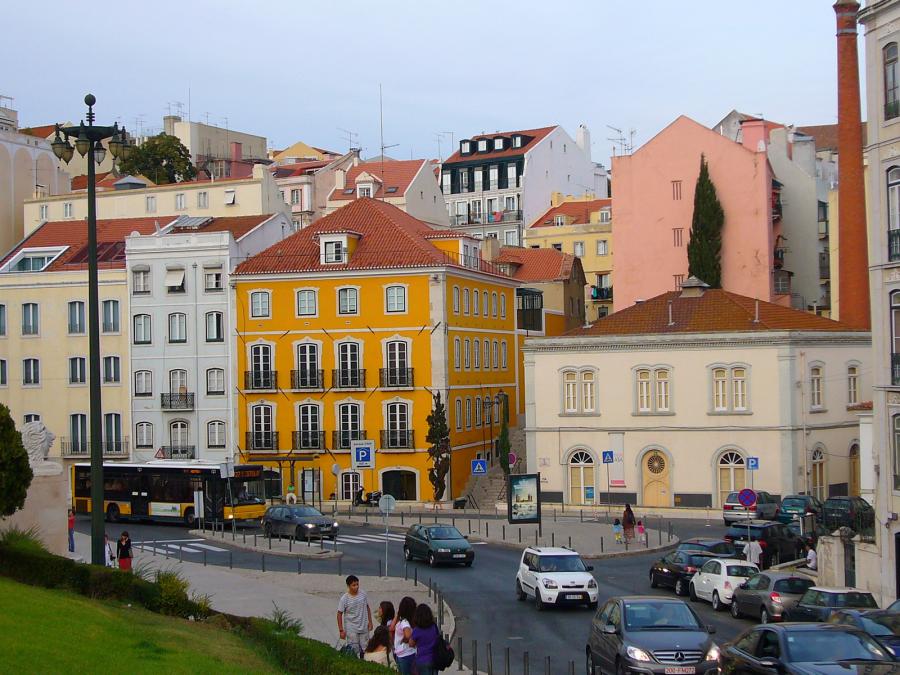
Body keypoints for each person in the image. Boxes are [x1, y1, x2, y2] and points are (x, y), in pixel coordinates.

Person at [337, 574, 373, 658]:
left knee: (365, 649)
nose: (356, 587)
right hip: (351, 629)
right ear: (348, 586)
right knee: (353, 650)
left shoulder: (363, 594)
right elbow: (339, 614)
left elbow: (367, 607)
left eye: (357, 584)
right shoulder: (344, 599)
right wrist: (341, 630)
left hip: (364, 627)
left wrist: (370, 622)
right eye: (353, 585)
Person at [409, 603, 439, 675]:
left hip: (422, 660)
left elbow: (411, 644)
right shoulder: (434, 627)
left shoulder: (417, 630)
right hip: (434, 659)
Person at [391, 596, 417, 675]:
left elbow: (408, 635)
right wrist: (398, 615)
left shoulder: (405, 622)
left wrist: (404, 640)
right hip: (405, 653)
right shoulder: (407, 620)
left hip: (405, 654)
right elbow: (392, 628)